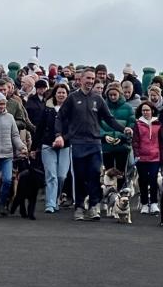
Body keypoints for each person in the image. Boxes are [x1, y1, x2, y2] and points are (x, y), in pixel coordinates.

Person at [55, 68, 134, 221]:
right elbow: (60, 117)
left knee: (94, 174)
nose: (91, 81)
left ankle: (93, 206)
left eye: (93, 79)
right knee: (79, 176)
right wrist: (59, 136)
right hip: (77, 143)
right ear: (81, 79)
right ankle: (79, 207)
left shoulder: (98, 99)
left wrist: (124, 129)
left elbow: (109, 119)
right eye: (88, 78)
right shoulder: (72, 98)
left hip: (95, 144)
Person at [33, 83, 71, 213]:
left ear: (67, 95)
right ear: (55, 94)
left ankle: (57, 197)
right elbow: (40, 129)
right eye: (59, 92)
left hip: (66, 146)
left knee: (62, 176)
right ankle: (50, 203)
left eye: (63, 93)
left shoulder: (71, 110)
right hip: (48, 145)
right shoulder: (47, 109)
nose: (61, 95)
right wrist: (34, 148)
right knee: (51, 175)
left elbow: (73, 129)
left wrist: (63, 139)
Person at [132, 101, 163, 215]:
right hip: (141, 157)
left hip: (155, 157)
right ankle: (144, 203)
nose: (145, 112)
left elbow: (162, 141)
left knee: (153, 179)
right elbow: (135, 141)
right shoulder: (137, 124)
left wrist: (162, 156)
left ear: (152, 111)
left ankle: (154, 203)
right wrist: (136, 154)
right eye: (143, 110)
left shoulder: (158, 124)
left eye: (147, 110)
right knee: (142, 180)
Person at [101, 82, 136, 173]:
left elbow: (131, 125)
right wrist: (104, 136)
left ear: (119, 94)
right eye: (110, 95)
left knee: (122, 174)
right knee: (108, 174)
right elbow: (97, 125)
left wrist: (122, 136)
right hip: (106, 147)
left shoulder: (128, 108)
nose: (112, 97)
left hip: (122, 146)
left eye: (114, 95)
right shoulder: (102, 107)